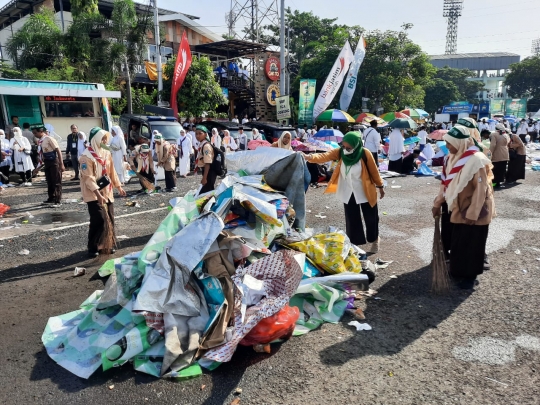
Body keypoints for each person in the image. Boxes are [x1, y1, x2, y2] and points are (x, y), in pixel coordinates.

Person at [432, 126, 494, 290]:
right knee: (459, 243)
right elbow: (446, 185)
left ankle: (470, 277)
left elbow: (481, 190)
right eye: (447, 143)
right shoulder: (452, 158)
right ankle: (459, 271)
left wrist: (473, 214)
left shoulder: (476, 160)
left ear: (460, 143)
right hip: (459, 208)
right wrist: (437, 204)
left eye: (450, 144)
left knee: (473, 244)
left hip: (476, 210)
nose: (448, 147)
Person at [306, 132, 385, 252]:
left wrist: (380, 186)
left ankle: (374, 240)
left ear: (356, 145)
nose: (346, 149)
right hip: (348, 191)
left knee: (371, 218)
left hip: (365, 190)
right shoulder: (340, 152)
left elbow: (374, 171)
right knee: (352, 219)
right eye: (344, 146)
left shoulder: (365, 153)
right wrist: (309, 157)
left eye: (349, 147)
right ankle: (355, 244)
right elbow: (325, 156)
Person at [79, 127, 126, 258]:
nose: (105, 141)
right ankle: (93, 246)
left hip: (107, 191)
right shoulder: (86, 157)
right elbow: (88, 178)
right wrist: (98, 195)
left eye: (106, 138)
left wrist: (119, 187)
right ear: (96, 140)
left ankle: (106, 244)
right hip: (93, 193)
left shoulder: (106, 153)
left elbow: (112, 172)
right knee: (98, 219)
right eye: (103, 139)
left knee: (110, 218)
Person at [35, 126, 64, 203]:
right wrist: (38, 167)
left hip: (54, 161)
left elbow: (58, 150)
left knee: (56, 181)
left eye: (36, 133)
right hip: (46, 162)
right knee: (49, 181)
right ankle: (51, 197)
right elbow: (41, 155)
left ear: (41, 131)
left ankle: (58, 199)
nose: (35, 135)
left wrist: (61, 164)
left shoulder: (49, 139)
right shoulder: (40, 141)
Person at [195, 125, 217, 194]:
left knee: (208, 192)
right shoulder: (201, 144)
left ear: (205, 134)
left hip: (209, 171)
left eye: (200, 133)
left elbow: (207, 163)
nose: (197, 136)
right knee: (207, 192)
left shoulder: (206, 146)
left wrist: (204, 178)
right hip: (206, 171)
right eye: (196, 134)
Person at [489, 123, 510, 188]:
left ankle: (494, 183)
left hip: (497, 153)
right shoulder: (506, 135)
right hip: (505, 153)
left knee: (495, 169)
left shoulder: (494, 134)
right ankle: (499, 183)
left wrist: (490, 153)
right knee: (502, 169)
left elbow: (493, 145)